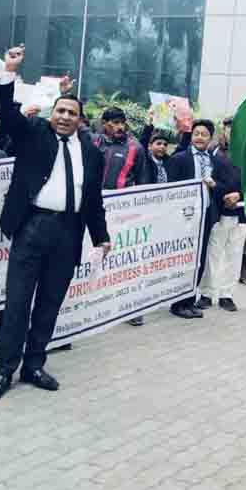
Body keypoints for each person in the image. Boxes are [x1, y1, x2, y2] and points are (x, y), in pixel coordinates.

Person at [0, 46, 111, 402]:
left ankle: (34, 365)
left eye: (72, 113)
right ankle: (4, 370)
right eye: (60, 111)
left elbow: (92, 199)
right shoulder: (34, 133)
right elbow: (7, 114)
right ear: (52, 113)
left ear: (81, 120)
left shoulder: (91, 153)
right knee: (18, 303)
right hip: (32, 228)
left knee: (50, 304)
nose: (65, 117)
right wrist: (9, 71)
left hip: (68, 234)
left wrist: (101, 237)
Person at [94, 106, 152, 326]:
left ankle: (131, 307)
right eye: (114, 123)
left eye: (122, 123)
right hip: (93, 211)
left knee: (126, 257)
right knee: (94, 256)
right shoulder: (93, 142)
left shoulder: (135, 148)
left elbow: (143, 181)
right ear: (104, 124)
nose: (120, 127)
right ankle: (92, 303)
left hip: (123, 214)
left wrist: (139, 212)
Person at [166, 119, 219, 319]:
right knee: (184, 260)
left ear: (210, 138)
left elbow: (221, 186)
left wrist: (215, 186)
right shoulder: (179, 159)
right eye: (196, 133)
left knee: (199, 260)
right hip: (184, 218)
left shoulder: (214, 161)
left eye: (204, 134)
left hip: (205, 216)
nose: (199, 137)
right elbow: (171, 190)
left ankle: (189, 300)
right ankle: (177, 304)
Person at [196, 117, 246, 312]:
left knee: (234, 255)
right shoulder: (213, 152)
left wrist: (239, 195)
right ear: (223, 131)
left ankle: (227, 295)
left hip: (241, 213)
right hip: (218, 212)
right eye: (229, 129)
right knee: (213, 254)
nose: (233, 133)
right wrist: (221, 191)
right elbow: (208, 180)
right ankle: (207, 293)